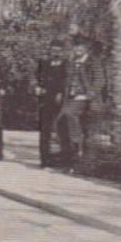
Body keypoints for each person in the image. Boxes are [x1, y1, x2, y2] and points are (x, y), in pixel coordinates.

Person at [51, 32, 102, 168]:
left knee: (69, 115)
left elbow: (99, 82)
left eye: (81, 47)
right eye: (76, 46)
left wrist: (87, 95)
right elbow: (65, 80)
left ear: (86, 49)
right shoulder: (71, 63)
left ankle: (76, 141)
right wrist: (61, 93)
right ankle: (69, 156)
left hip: (87, 100)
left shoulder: (93, 62)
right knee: (60, 122)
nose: (78, 49)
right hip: (71, 98)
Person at [34, 37, 68, 168]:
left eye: (58, 50)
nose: (56, 53)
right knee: (45, 130)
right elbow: (36, 78)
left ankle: (65, 161)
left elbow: (67, 82)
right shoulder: (44, 63)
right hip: (45, 99)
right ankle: (44, 160)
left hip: (60, 99)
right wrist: (36, 87)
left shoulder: (66, 65)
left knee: (62, 129)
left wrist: (61, 93)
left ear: (62, 51)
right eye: (53, 50)